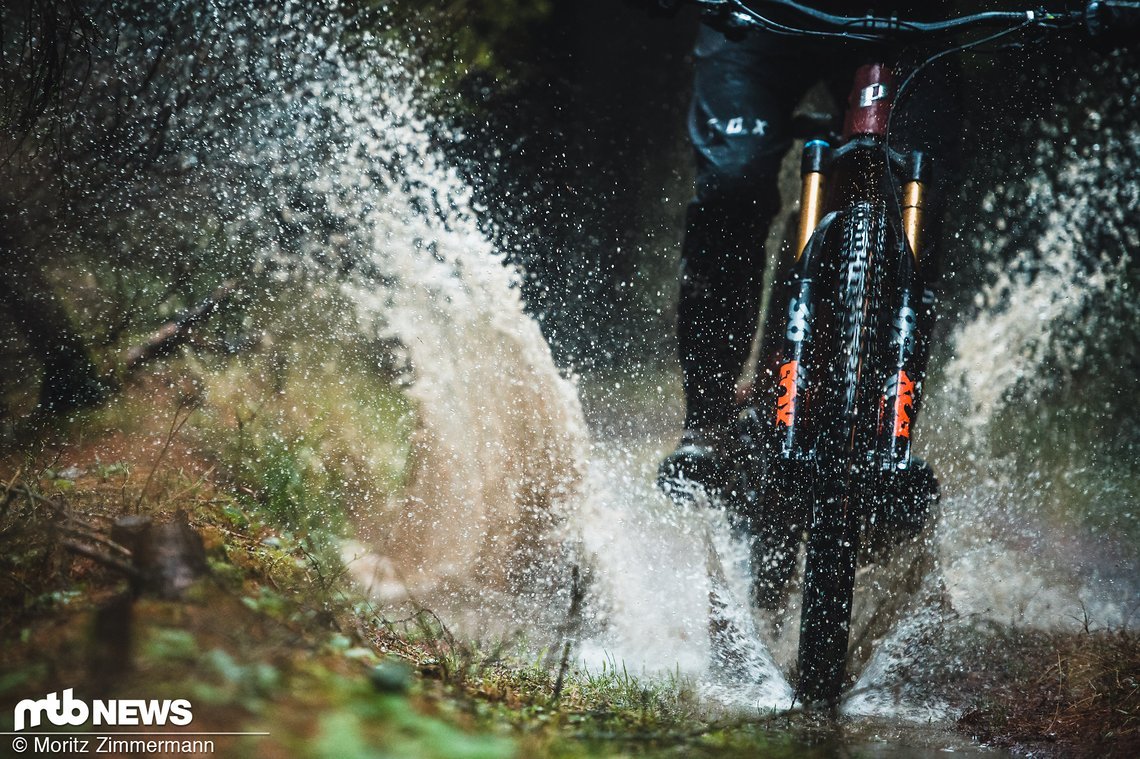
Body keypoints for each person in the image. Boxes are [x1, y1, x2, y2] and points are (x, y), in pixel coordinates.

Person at [654, 0, 963, 494]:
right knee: (733, 186)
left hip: (906, 19)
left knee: (918, 188)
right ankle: (708, 420)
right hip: (761, 16)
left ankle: (891, 431)